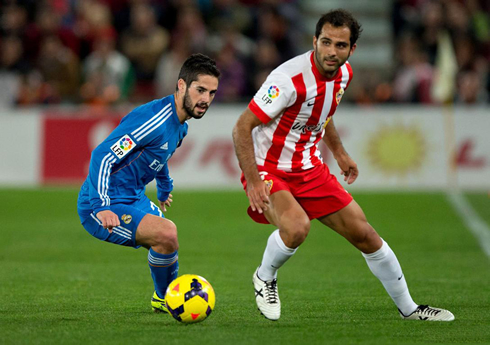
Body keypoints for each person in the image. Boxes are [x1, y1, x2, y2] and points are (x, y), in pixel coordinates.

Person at [232, 9, 454, 322]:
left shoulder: (344, 74)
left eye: (340, 45)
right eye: (325, 42)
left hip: (310, 169)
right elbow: (242, 126)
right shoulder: (287, 79)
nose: (331, 51)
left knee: (366, 235)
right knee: (296, 227)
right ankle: (264, 277)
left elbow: (324, 113)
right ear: (314, 41)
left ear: (352, 50)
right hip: (268, 168)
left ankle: (410, 309)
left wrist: (339, 151)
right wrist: (254, 182)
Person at [77, 53, 220, 313]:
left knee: (168, 240)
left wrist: (165, 186)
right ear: (181, 86)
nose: (205, 100)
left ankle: (162, 296)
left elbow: (160, 155)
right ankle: (170, 298)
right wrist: (101, 206)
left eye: (211, 93)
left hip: (133, 198)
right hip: (100, 203)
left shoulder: (181, 125)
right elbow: (103, 155)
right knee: (167, 233)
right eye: (200, 90)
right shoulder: (152, 120)